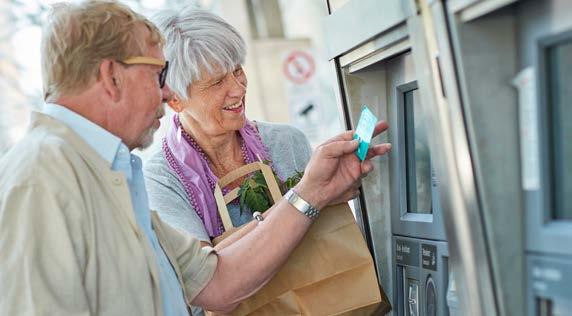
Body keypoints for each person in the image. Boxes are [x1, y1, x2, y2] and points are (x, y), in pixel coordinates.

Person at [0, 1, 391, 315]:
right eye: (158, 75)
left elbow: (215, 283)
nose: (165, 94)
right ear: (111, 78)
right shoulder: (41, 179)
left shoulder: (109, 173)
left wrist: (314, 192)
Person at [143, 8, 317, 248]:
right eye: (216, 82)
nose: (239, 89)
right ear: (174, 99)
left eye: (237, 70)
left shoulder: (288, 142)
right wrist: (308, 195)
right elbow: (204, 271)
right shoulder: (162, 179)